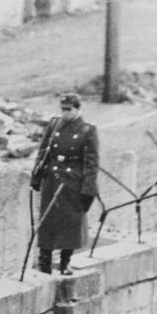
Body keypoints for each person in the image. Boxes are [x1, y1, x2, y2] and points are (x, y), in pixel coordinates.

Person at [30, 92, 99, 276]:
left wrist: (88, 189)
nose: (65, 113)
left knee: (71, 223)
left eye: (69, 110)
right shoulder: (54, 124)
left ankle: (64, 262)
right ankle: (44, 262)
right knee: (47, 221)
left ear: (78, 109)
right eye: (63, 109)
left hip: (72, 182)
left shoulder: (87, 130)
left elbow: (92, 163)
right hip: (52, 180)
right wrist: (36, 174)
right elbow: (43, 150)